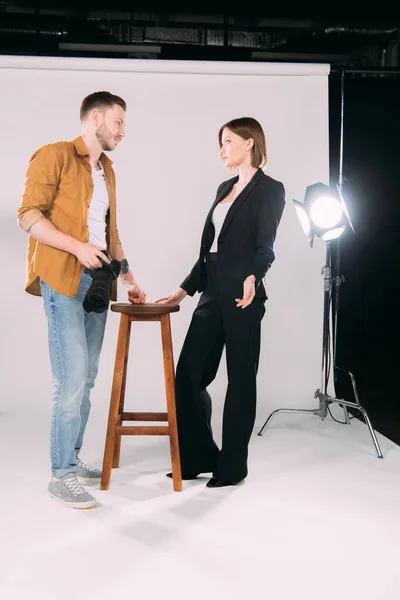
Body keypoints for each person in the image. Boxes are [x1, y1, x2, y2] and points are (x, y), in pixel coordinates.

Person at [17, 91, 146, 509]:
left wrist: (129, 278)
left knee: (87, 379)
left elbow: (110, 234)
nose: (123, 132)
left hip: (99, 284)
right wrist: (75, 247)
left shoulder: (107, 171)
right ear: (95, 118)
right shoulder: (54, 155)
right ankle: (61, 475)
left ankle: (71, 457)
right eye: (119, 122)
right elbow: (28, 216)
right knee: (70, 380)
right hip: (62, 280)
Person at [156, 117, 285, 488]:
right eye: (221, 142)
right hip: (212, 290)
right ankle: (199, 455)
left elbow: (266, 245)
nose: (222, 149)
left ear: (249, 143)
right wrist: (184, 289)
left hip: (244, 296)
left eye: (228, 141)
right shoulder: (224, 186)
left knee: (241, 380)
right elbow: (209, 249)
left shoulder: (270, 189)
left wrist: (254, 275)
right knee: (189, 376)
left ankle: (232, 466)